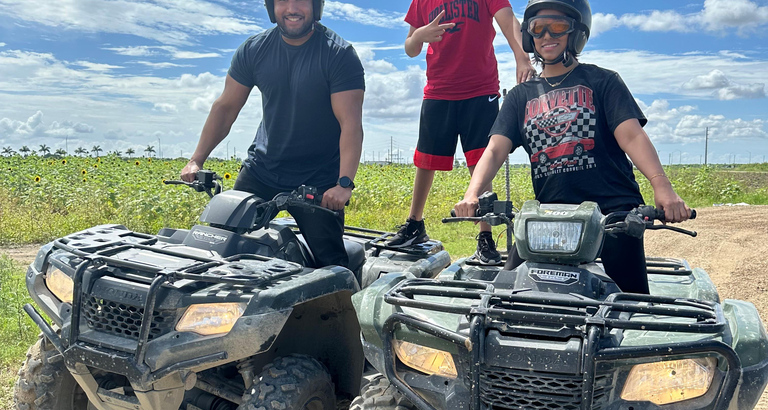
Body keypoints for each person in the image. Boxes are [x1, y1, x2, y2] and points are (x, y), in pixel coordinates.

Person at [454, 0, 691, 293]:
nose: (546, 36)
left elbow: (632, 136)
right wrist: (472, 193)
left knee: (632, 308)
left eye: (558, 27)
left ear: (576, 32)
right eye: (538, 29)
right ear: (529, 36)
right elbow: (494, 150)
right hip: (549, 218)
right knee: (505, 296)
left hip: (612, 216)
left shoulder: (602, 81)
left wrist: (662, 187)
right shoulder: (520, 97)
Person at [180, 0, 365, 268]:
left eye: (301, 0)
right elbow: (226, 107)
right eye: (282, 1)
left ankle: (348, 307)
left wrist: (344, 183)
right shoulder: (255, 49)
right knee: (218, 243)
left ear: (315, 5)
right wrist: (197, 159)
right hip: (262, 170)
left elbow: (350, 123)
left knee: (331, 265)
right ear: (271, 6)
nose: (292, 8)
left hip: (318, 177)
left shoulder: (338, 54)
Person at [387, 0, 536, 265]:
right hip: (438, 89)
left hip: (480, 90)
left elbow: (509, 22)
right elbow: (411, 49)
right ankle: (414, 224)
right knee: (426, 159)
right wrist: (419, 35)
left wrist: (521, 58)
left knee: (481, 162)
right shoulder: (421, 2)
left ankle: (485, 237)